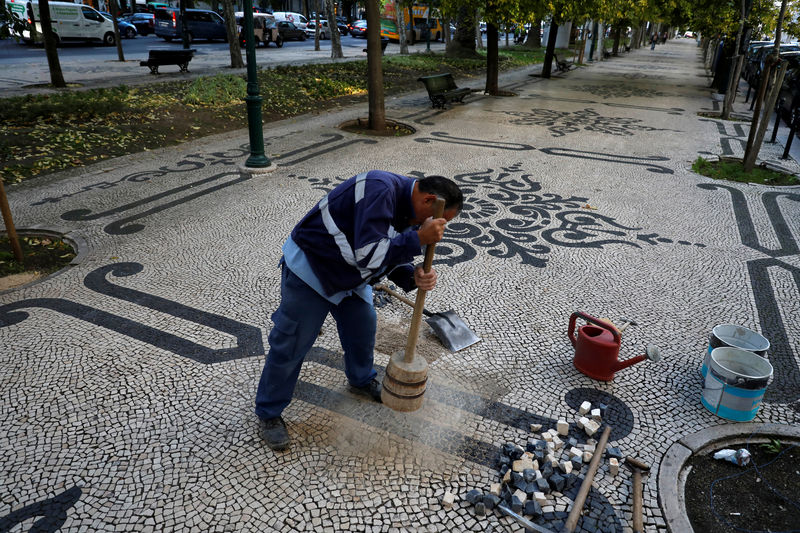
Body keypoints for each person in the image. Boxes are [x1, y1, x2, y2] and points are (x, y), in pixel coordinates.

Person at [255, 171, 464, 450]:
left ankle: (361, 379)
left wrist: (411, 275)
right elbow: (369, 254)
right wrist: (418, 239)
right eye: (438, 220)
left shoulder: (409, 208)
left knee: (362, 327)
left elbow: (388, 247)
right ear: (427, 200)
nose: (434, 226)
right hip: (313, 269)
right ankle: (269, 413)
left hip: (351, 276)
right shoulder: (378, 189)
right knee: (291, 342)